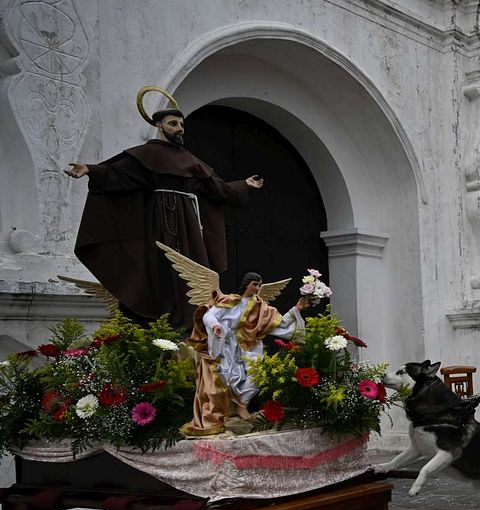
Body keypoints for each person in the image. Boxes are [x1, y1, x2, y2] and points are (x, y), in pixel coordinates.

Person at [66, 96, 264, 329]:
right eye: (173, 124)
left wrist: (243, 184)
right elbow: (117, 174)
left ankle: (189, 321)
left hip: (187, 222)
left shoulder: (189, 159)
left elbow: (214, 188)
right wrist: (90, 170)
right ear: (159, 126)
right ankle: (157, 318)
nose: (179, 129)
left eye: (181, 124)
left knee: (190, 267)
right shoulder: (145, 155)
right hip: (157, 220)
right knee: (156, 265)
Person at [186, 272, 309, 436]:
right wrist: (215, 326)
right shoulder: (229, 301)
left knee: (255, 375)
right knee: (224, 377)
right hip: (226, 344)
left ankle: (242, 405)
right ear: (246, 284)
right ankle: (225, 411)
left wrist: (296, 309)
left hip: (250, 345)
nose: (257, 288)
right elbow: (210, 315)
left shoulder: (260, 306)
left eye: (259, 285)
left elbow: (279, 323)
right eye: (254, 285)